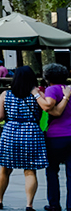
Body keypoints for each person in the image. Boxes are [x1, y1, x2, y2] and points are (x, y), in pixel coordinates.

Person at [0, 65, 50, 211]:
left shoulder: (6, 94)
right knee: (30, 170)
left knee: (5, 169)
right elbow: (46, 108)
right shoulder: (36, 93)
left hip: (10, 132)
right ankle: (29, 204)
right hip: (31, 131)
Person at [41, 63, 71, 211]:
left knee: (52, 170)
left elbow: (50, 107)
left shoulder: (51, 89)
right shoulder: (70, 89)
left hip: (56, 135)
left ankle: (54, 204)